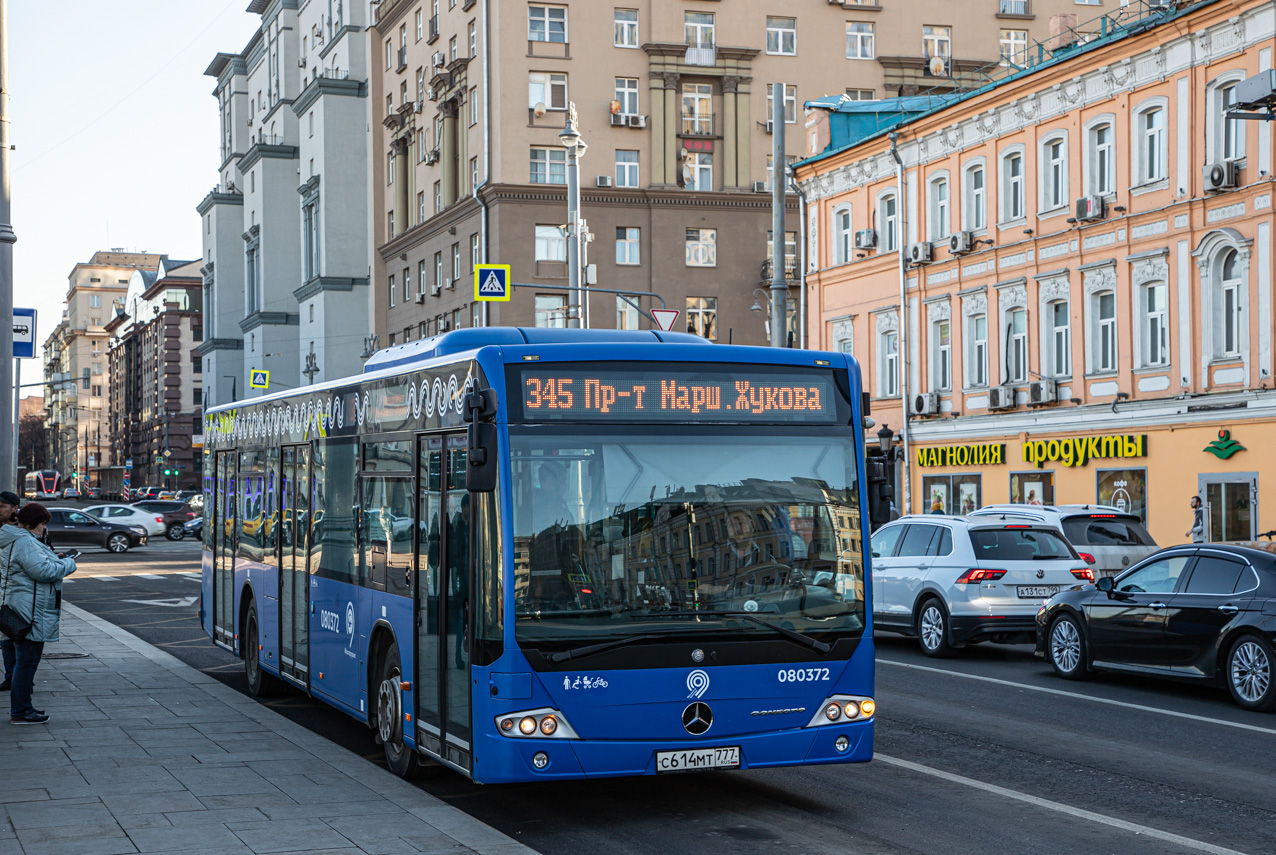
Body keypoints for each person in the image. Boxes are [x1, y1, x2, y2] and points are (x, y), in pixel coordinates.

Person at [0, 503, 77, 724]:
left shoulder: (16, 539)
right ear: (35, 524)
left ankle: (23, 708)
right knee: (26, 663)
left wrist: (57, 559)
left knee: (22, 662)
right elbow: (42, 572)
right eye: (43, 523)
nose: (45, 528)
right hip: (29, 611)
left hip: (19, 607)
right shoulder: (24, 541)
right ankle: (21, 711)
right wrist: (69, 564)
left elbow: (35, 565)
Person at [0, 491, 18, 692]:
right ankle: (10, 677)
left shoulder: (24, 530)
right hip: (2, 592)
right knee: (5, 639)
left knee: (18, 639)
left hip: (16, 594)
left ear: (14, 508)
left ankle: (20, 680)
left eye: (3, 506)